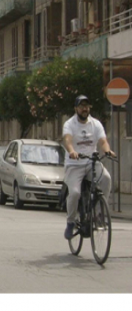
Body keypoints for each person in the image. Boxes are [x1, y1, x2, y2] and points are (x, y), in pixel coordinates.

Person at [61, 95, 115, 239]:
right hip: (74, 164)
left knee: (106, 178)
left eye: (87, 106)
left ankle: (98, 214)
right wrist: (72, 151)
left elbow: (103, 141)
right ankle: (71, 222)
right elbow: (67, 140)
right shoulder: (69, 124)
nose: (84, 109)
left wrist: (107, 150)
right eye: (81, 106)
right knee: (75, 193)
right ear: (76, 108)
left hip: (91, 162)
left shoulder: (95, 124)